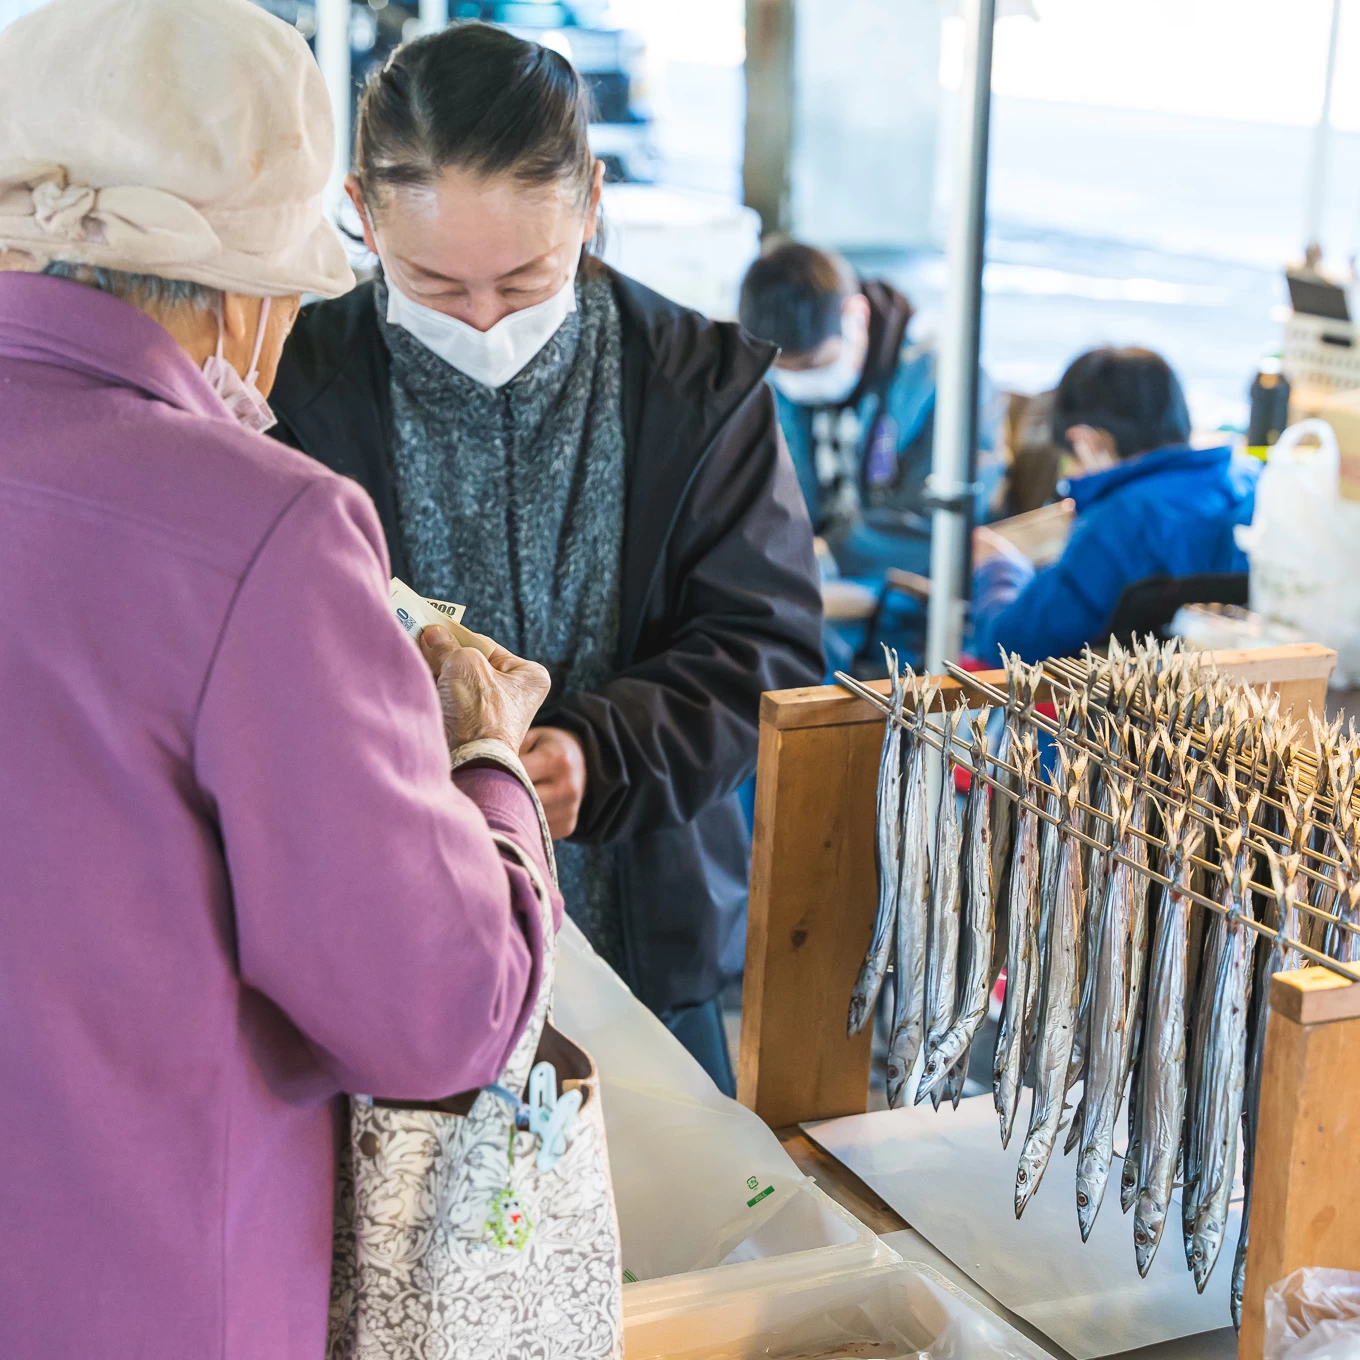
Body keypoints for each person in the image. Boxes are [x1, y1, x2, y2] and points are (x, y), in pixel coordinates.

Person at [0, 2, 562, 1355]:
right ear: (251, 296)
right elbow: (436, 1017)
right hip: (143, 1304)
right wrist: (484, 759)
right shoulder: (266, 530)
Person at [269, 22, 824, 1095]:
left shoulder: (697, 388)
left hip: (643, 946)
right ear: (360, 212)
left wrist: (601, 755)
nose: (482, 320)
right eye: (435, 285)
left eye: (525, 280)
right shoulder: (294, 383)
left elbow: (767, 645)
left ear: (592, 201)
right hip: (369, 966)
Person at [970, 346, 1259, 663]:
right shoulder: (1249, 481)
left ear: (1087, 441)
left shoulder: (1119, 521)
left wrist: (998, 568)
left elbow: (1015, 646)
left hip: (1118, 704)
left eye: (1071, 461)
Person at [738, 240, 1001, 580]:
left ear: (856, 317)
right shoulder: (768, 381)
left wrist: (831, 554)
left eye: (814, 364)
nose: (800, 382)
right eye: (784, 370)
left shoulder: (947, 378)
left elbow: (947, 512)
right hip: (801, 571)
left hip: (904, 584)